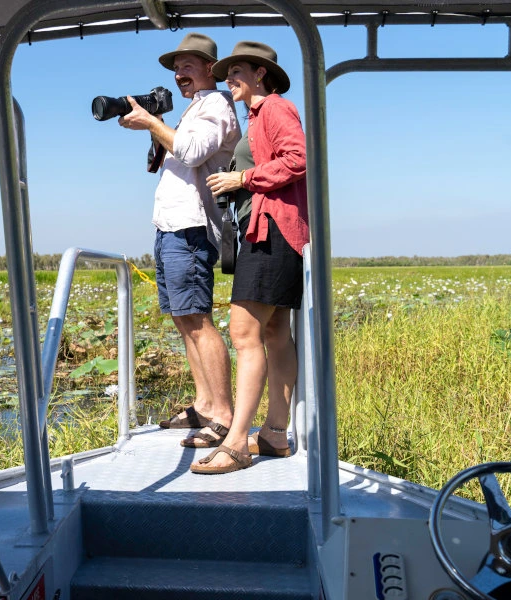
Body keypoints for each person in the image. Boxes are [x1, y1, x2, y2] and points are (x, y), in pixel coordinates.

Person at [190, 41, 309, 474]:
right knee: (275, 329)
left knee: (243, 332)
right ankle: (275, 433)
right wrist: (243, 182)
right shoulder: (257, 116)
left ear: (261, 73)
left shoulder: (275, 108)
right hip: (271, 229)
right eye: (226, 73)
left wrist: (243, 176)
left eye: (236, 71)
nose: (228, 79)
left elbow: (299, 158)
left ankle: (237, 442)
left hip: (272, 230)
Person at [117, 33, 240, 441]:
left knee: (198, 320)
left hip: (191, 226)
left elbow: (191, 152)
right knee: (183, 319)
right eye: (176, 67)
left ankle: (222, 413)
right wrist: (153, 128)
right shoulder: (192, 111)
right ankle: (204, 405)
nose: (178, 73)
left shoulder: (217, 105)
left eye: (188, 65)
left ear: (210, 69)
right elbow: (175, 156)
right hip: (169, 225)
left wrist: (152, 122)